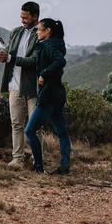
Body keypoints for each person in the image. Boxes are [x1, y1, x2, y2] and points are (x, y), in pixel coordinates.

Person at [0, 1, 39, 167]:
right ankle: (17, 159)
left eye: (25, 18)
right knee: (16, 124)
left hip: (33, 87)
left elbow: (34, 61)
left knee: (34, 126)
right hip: (14, 85)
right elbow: (10, 52)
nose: (22, 21)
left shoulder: (41, 34)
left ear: (35, 16)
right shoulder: (16, 32)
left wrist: (10, 58)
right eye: (21, 17)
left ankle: (36, 160)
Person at [24, 18, 70, 174]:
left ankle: (38, 166)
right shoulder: (56, 44)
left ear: (47, 30)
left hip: (49, 95)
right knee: (62, 133)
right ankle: (64, 167)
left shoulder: (48, 45)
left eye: (39, 29)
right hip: (57, 95)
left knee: (29, 131)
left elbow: (60, 61)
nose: (36, 32)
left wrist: (44, 73)